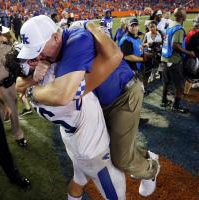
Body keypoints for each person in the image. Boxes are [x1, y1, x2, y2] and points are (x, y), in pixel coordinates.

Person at [17, 15, 160, 197]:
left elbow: (62, 95)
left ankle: (151, 169)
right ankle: (147, 155)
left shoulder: (77, 41)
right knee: (116, 145)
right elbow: (17, 84)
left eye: (39, 50)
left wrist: (32, 91)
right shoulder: (54, 50)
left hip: (122, 96)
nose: (37, 56)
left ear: (55, 37)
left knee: (121, 159)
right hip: (101, 101)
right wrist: (33, 76)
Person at [160, 7, 195, 112]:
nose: (186, 14)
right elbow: (175, 45)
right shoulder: (179, 28)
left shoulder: (170, 24)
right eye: (184, 13)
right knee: (180, 86)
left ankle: (164, 101)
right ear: (181, 16)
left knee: (166, 82)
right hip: (174, 60)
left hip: (165, 58)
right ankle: (176, 106)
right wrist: (189, 53)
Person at [0, 25, 28, 147]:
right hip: (4, 85)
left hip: (6, 83)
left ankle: (14, 135)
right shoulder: (6, 47)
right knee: (10, 111)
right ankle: (17, 136)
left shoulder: (6, 47)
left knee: (6, 110)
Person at [184, 14, 199, 95]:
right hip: (194, 59)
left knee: (190, 78)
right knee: (190, 77)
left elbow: (185, 44)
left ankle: (185, 94)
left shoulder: (191, 32)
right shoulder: (193, 33)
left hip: (190, 58)